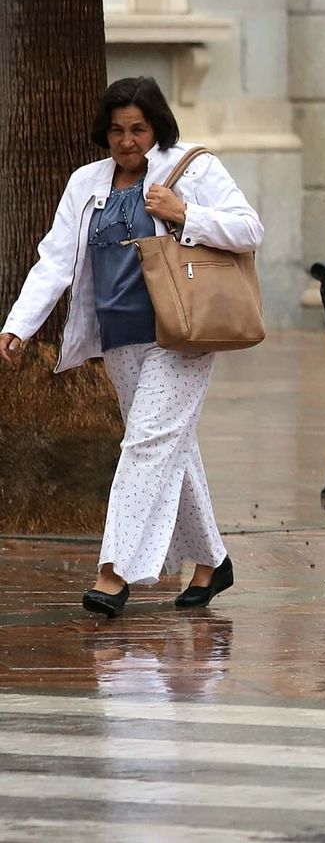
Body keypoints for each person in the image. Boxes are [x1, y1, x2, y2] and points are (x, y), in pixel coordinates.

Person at [0, 76, 263, 617]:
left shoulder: (192, 168)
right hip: (118, 337)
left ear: (157, 126)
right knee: (171, 444)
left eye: (138, 129)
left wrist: (185, 214)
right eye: (117, 130)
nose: (127, 141)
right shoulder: (86, 182)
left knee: (146, 444)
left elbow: (249, 229)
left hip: (182, 332)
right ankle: (213, 561)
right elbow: (54, 260)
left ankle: (115, 571)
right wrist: (19, 326)